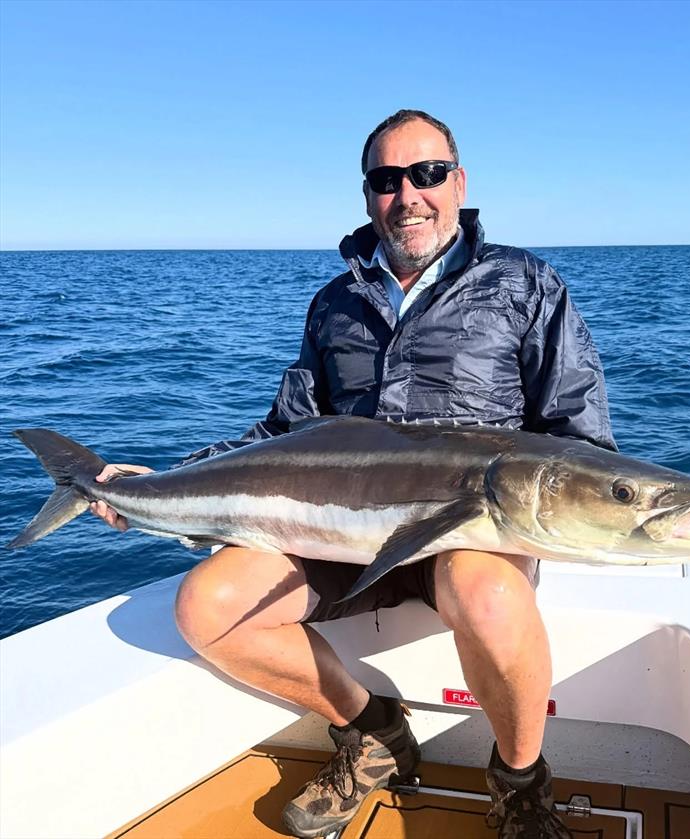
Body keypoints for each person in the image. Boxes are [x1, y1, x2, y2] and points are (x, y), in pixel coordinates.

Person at [91, 109, 615, 839]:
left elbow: (578, 433)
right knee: (205, 606)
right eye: (387, 179)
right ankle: (370, 729)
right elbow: (285, 431)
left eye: (428, 174)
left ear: (459, 182)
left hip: (466, 533)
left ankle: (522, 782)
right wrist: (159, 483)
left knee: (489, 597)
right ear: (368, 194)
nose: (410, 195)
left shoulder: (525, 284)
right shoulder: (335, 303)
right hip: (334, 536)